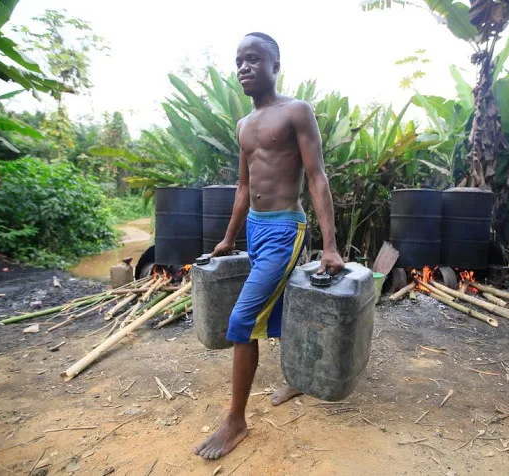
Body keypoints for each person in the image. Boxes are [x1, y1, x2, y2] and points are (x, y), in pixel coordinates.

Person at [193, 32, 345, 460]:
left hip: (285, 229)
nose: (244, 67)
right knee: (277, 311)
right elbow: (243, 187)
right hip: (256, 230)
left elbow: (317, 177)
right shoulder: (243, 126)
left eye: (254, 59)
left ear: (275, 67)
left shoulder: (296, 111)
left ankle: (236, 420)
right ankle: (299, 377)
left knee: (242, 320)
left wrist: (330, 245)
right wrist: (227, 238)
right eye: (239, 60)